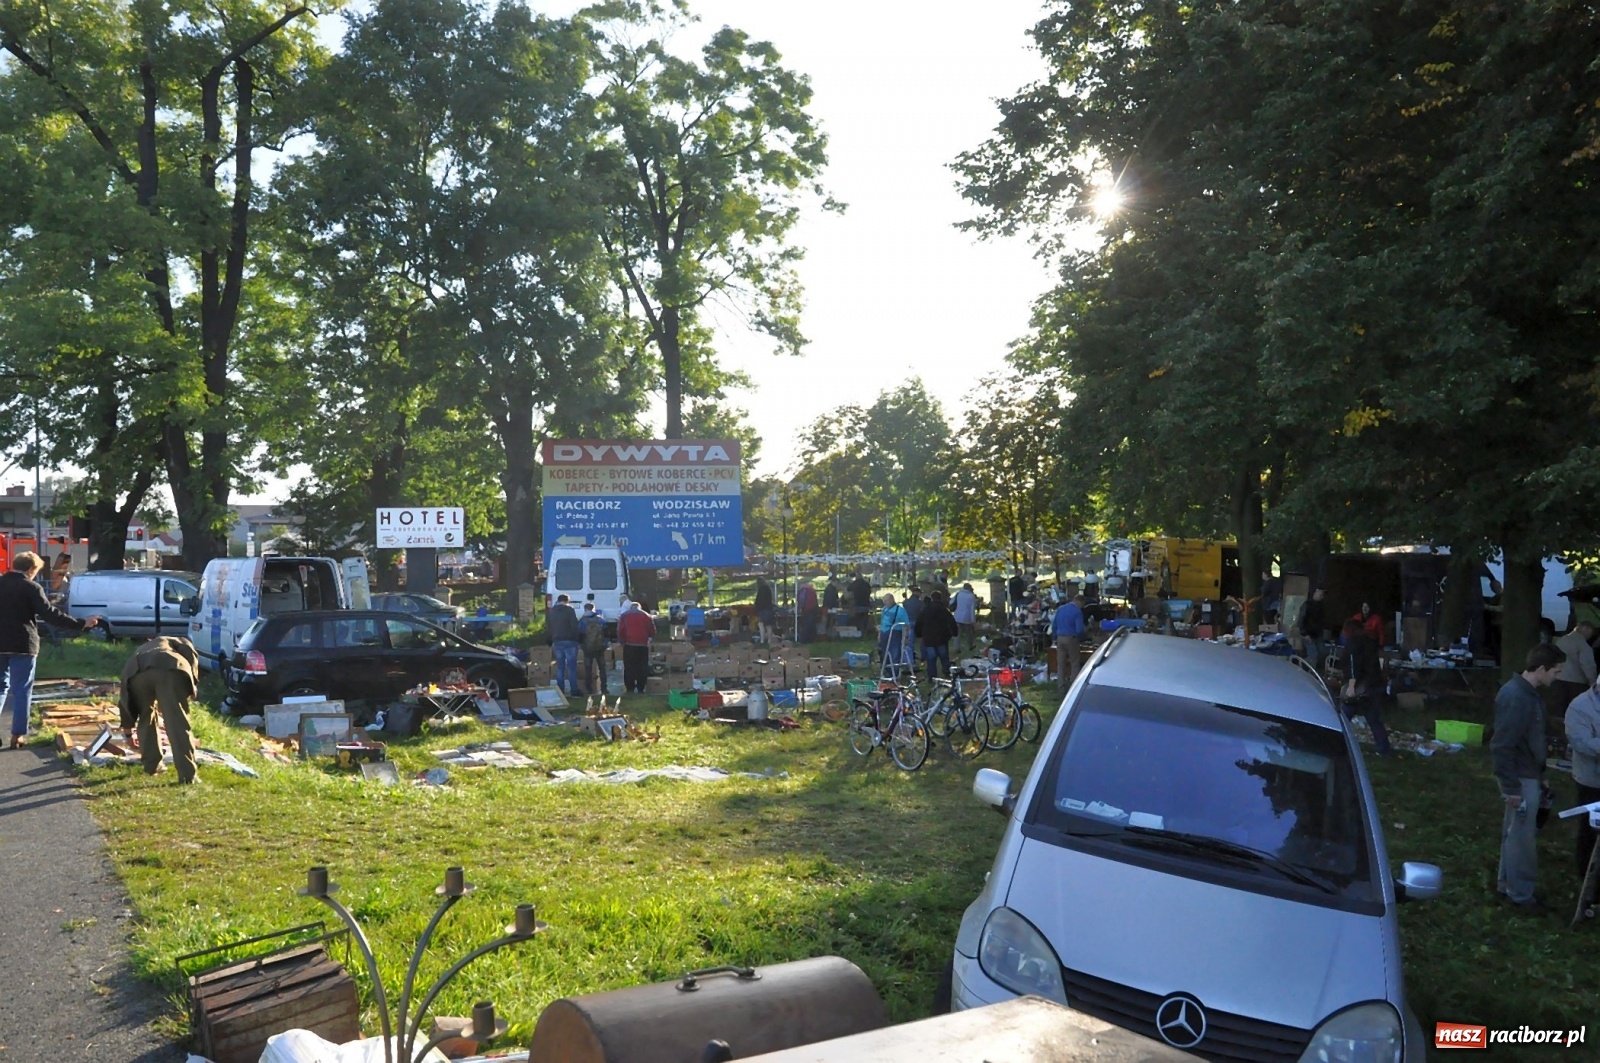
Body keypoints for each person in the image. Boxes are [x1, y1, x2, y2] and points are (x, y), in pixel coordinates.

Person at [1492, 642, 1566, 911]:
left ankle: (1506, 884)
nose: (1558, 677)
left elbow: (1531, 740)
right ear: (1542, 668)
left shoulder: (1530, 695)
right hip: (1519, 778)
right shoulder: (1516, 697)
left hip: (1529, 774)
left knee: (1513, 833)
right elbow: (1502, 745)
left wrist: (1542, 774)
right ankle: (1521, 895)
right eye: (1556, 672)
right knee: (1522, 838)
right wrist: (1511, 787)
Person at [0, 551, 99, 747]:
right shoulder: (31, 587)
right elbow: (50, 614)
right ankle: (17, 735)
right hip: (23, 644)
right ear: (31, 569)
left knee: (0, 687)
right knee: (21, 690)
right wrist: (81, 624)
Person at [119, 635, 199, 784]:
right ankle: (188, 775)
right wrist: (192, 683)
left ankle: (152, 767)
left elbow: (125, 696)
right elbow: (190, 654)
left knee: (145, 717)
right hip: (170, 668)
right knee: (177, 722)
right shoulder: (177, 640)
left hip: (136, 673)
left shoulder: (141, 650)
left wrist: (128, 733)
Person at [1565, 674, 1600, 881]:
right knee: (1590, 833)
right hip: (1592, 781)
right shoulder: (1579, 707)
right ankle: (1587, 881)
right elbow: (1582, 743)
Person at [1339, 619, 1391, 756]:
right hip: (1373, 684)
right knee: (1374, 720)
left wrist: (1351, 687)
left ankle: (1336, 743)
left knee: (1343, 717)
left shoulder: (1352, 644)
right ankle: (1384, 748)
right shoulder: (1369, 642)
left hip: (1360, 687)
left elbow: (1353, 666)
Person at [1552, 621, 1597, 709]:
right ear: (1586, 629)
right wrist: (1593, 682)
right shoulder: (1583, 644)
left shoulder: (1561, 640)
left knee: (1559, 708)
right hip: (1576, 683)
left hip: (1558, 679)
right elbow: (1588, 665)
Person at [915, 590, 958, 681]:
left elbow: (919, 622)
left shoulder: (925, 610)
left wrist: (918, 634)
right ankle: (947, 673)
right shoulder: (943, 610)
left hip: (928, 638)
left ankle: (932, 676)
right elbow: (951, 621)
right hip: (941, 637)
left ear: (931, 598)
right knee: (944, 657)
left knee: (931, 658)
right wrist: (954, 633)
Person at [546, 594, 582, 698]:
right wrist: (577, 638)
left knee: (560, 667)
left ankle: (560, 690)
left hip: (557, 641)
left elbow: (548, 627)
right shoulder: (569, 610)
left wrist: (551, 638)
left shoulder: (551, 611)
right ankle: (574, 690)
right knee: (571, 667)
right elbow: (574, 626)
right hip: (570, 641)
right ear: (567, 601)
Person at [616, 599, 655, 694]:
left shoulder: (624, 616)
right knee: (642, 666)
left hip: (629, 644)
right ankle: (641, 687)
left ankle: (630, 687)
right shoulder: (647, 616)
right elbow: (652, 631)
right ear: (639, 607)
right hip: (642, 645)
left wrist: (622, 641)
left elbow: (620, 630)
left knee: (629, 666)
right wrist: (648, 638)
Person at [1051, 593, 1086, 693]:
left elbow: (1054, 625)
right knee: (1074, 663)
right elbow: (1079, 630)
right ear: (1080, 602)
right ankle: (1073, 687)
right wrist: (1082, 636)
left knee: (1060, 664)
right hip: (1071, 638)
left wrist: (1054, 637)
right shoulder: (1077, 611)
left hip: (1060, 638)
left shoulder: (1061, 609)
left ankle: (1061, 687)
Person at [577, 603, 609, 697]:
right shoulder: (600, 620)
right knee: (602, 668)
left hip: (587, 648)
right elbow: (606, 633)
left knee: (588, 668)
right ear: (594, 609)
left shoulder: (582, 621)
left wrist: (581, 645)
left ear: (585, 609)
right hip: (600, 647)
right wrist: (605, 644)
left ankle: (589, 688)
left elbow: (580, 635)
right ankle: (604, 688)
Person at [878, 593, 910, 673]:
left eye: (886, 600)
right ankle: (887, 671)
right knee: (885, 653)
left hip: (895, 633)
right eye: (884, 601)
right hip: (884, 633)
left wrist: (905, 637)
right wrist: (879, 634)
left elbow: (906, 625)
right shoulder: (884, 609)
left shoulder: (900, 610)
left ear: (892, 600)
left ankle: (895, 673)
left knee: (895, 654)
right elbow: (882, 622)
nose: (885, 602)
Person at [1298, 588, 1327, 672]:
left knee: (1321, 653)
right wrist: (1304, 634)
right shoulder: (1306, 605)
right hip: (1308, 634)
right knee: (1313, 655)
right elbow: (1300, 621)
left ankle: (1309, 669)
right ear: (1316, 592)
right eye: (1321, 594)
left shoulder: (1321, 606)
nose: (1322, 596)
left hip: (1317, 634)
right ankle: (1306, 671)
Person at [953, 582, 980, 653]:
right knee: (969, 632)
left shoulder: (958, 594)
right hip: (966, 617)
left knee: (957, 633)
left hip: (957, 616)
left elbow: (952, 602)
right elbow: (972, 609)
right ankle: (970, 645)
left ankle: (957, 648)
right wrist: (973, 620)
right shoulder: (971, 596)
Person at [753, 577, 775, 644]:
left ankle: (762, 640)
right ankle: (769, 640)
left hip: (762, 609)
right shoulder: (768, 589)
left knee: (761, 624)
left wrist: (756, 606)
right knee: (768, 625)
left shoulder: (761, 589)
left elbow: (758, 600)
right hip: (769, 608)